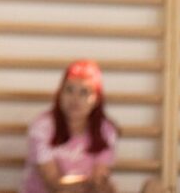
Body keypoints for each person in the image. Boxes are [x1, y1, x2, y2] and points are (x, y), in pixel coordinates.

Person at [22, 61, 118, 193]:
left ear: (96, 100)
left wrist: (100, 186)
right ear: (60, 94)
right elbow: (53, 183)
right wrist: (90, 185)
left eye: (84, 92)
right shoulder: (42, 127)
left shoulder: (106, 130)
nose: (75, 98)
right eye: (69, 90)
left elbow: (99, 181)